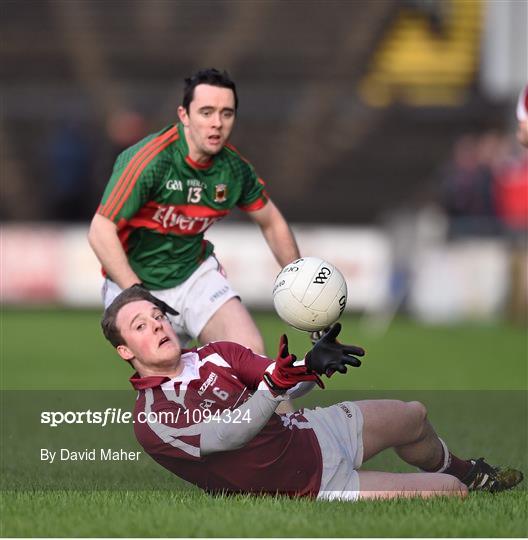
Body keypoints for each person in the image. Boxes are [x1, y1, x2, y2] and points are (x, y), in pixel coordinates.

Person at [100, 285, 523, 500]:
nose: (156, 325)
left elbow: (278, 376)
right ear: (123, 351)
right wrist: (274, 386)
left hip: (311, 431)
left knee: (414, 414)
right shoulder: (152, 419)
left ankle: (471, 470)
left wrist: (311, 364)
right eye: (141, 326)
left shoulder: (215, 354)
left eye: (157, 316)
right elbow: (228, 435)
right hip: (309, 484)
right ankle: (460, 483)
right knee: (449, 495)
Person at [89, 68, 300, 354]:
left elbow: (272, 222)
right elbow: (100, 230)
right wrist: (136, 293)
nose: (217, 123)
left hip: (194, 276)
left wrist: (301, 285)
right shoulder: (151, 160)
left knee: (250, 356)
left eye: (226, 113)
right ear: (184, 115)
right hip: (133, 283)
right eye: (206, 112)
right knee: (171, 383)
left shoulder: (234, 169)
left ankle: (279, 398)